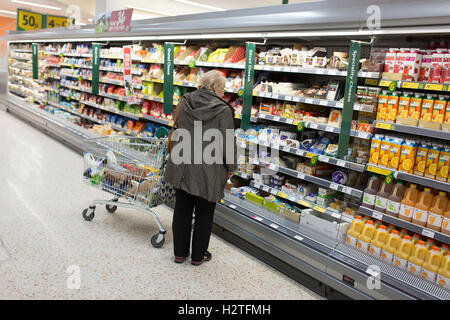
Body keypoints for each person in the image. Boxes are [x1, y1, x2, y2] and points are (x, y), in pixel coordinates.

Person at [164, 70, 237, 266]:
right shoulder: (223, 110)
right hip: (209, 168)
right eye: (222, 90)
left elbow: (177, 124)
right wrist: (231, 167)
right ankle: (198, 256)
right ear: (215, 88)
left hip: (182, 164)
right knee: (204, 212)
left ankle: (179, 254)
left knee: (182, 209)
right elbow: (227, 142)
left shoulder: (185, 100)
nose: (223, 94)